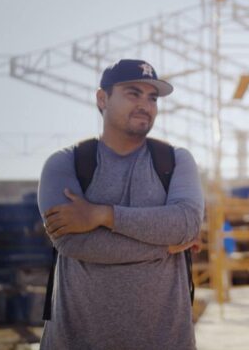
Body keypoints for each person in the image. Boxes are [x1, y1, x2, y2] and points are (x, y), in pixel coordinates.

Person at [37, 59, 204, 349]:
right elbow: (74, 244)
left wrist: (102, 215)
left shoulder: (175, 161)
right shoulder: (65, 163)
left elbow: (186, 224)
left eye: (152, 97)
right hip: (78, 341)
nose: (145, 104)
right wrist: (165, 246)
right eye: (133, 93)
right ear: (102, 99)